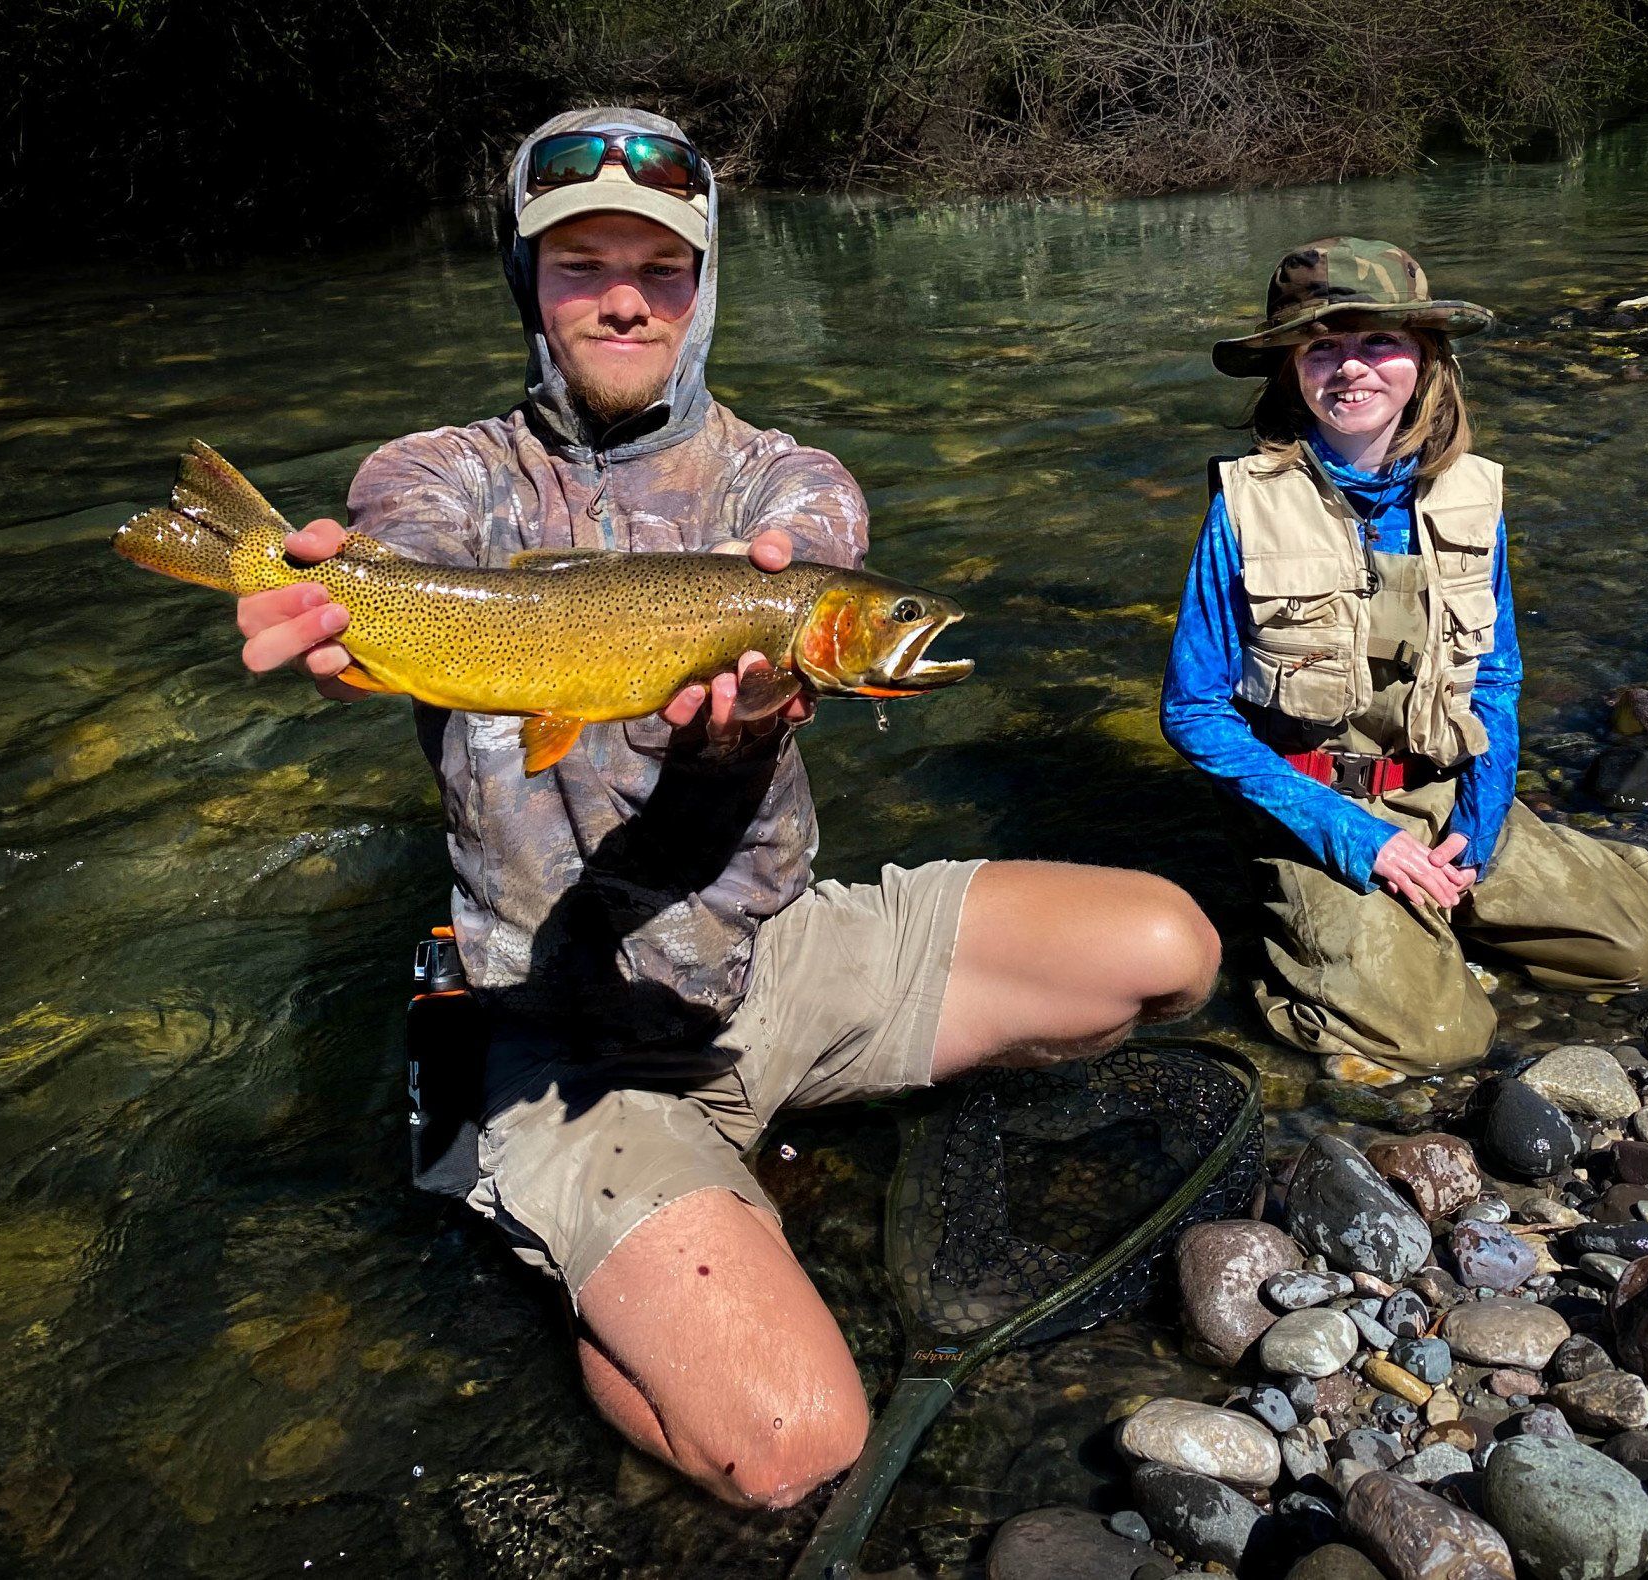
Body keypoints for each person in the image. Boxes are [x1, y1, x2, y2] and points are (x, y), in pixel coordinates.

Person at [232, 107, 1221, 1510]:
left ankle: (722, 1186)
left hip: (761, 965)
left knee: (1166, 949)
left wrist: (779, 646)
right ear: (529, 286)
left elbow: (808, 550)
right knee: (794, 1451)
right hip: (563, 1032)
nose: (626, 295)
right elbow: (408, 549)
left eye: (663, 268)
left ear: (702, 296)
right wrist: (357, 601)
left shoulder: (783, 481)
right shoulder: (437, 472)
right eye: (582, 264)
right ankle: (578, 1238)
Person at [1161, 237, 1648, 1084]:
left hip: (1442, 784)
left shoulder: (1472, 493)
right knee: (1436, 1043)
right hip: (1318, 803)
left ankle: (1442, 915)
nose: (1350, 369)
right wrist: (1358, 839)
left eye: (1378, 343)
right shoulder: (1245, 507)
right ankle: (1298, 951)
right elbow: (1194, 711)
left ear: (1426, 360)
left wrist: (1479, 819)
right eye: (1321, 347)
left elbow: (1498, 678)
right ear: (1290, 370)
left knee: (1637, 947)